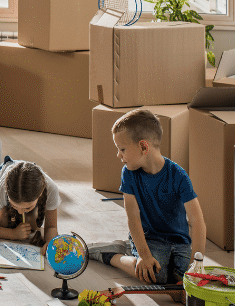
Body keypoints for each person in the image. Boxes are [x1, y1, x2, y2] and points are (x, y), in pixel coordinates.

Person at [87, 109, 206, 287]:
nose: (118, 155)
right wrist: (144, 255)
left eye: (122, 149)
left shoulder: (178, 175)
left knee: (182, 280)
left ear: (143, 147)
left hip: (179, 242)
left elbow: (197, 221)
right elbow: (132, 216)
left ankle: (129, 247)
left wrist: (196, 267)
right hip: (150, 238)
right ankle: (111, 255)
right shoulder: (129, 173)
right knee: (154, 276)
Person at [0, 158, 60, 253]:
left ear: (40, 193)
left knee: (32, 225)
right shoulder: (2, 188)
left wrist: (50, 244)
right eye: (15, 206)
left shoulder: (51, 189)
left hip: (28, 180)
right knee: (1, 221)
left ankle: (11, 204)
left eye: (27, 207)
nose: (20, 212)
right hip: (0, 176)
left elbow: (51, 226)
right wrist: (13, 234)